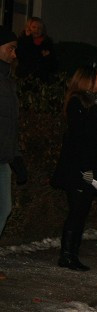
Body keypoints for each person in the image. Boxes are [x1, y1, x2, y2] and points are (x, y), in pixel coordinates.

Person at [51, 65, 97, 271]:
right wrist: (86, 168)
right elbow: (79, 139)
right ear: (89, 80)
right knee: (77, 210)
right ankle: (67, 255)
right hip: (78, 169)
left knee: (81, 210)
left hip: (88, 167)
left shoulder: (94, 104)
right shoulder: (78, 103)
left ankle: (71, 253)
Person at [0, 28, 25, 251]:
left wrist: (16, 155)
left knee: (4, 208)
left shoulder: (9, 81)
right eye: (11, 48)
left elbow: (11, 123)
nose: (14, 54)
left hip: (4, 158)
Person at [15, 17, 56, 82]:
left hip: (42, 78)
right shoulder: (22, 41)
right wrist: (27, 38)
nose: (37, 30)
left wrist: (47, 56)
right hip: (25, 76)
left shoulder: (47, 43)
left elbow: (53, 63)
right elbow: (22, 55)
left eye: (39, 28)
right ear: (28, 28)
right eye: (34, 27)